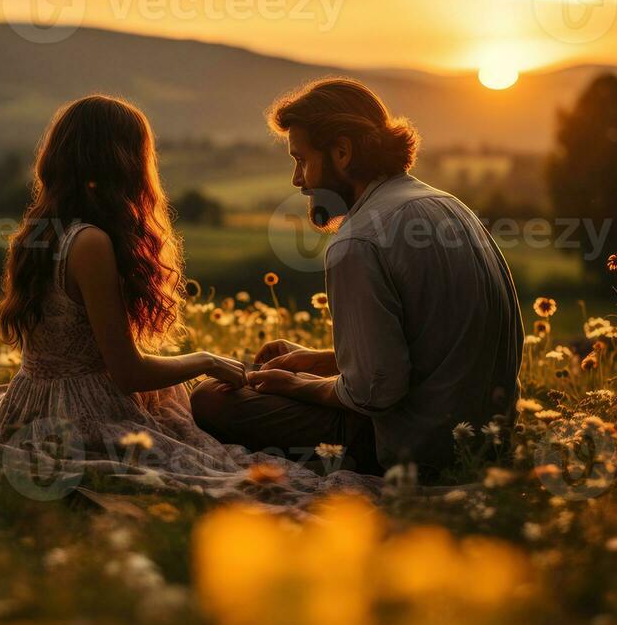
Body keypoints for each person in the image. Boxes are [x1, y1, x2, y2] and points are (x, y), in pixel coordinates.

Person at [191, 79, 524, 476]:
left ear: (343, 152)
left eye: (301, 160)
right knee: (252, 372)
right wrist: (313, 360)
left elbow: (375, 393)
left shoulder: (358, 240)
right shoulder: (449, 206)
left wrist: (295, 385)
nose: (297, 180)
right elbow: (431, 349)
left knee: (212, 397)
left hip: (417, 447)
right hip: (486, 438)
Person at [0, 95, 245, 449]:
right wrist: (206, 361)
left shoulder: (39, 231)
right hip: (78, 415)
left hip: (31, 403)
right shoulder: (90, 243)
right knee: (221, 466)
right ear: (123, 163)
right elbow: (128, 373)